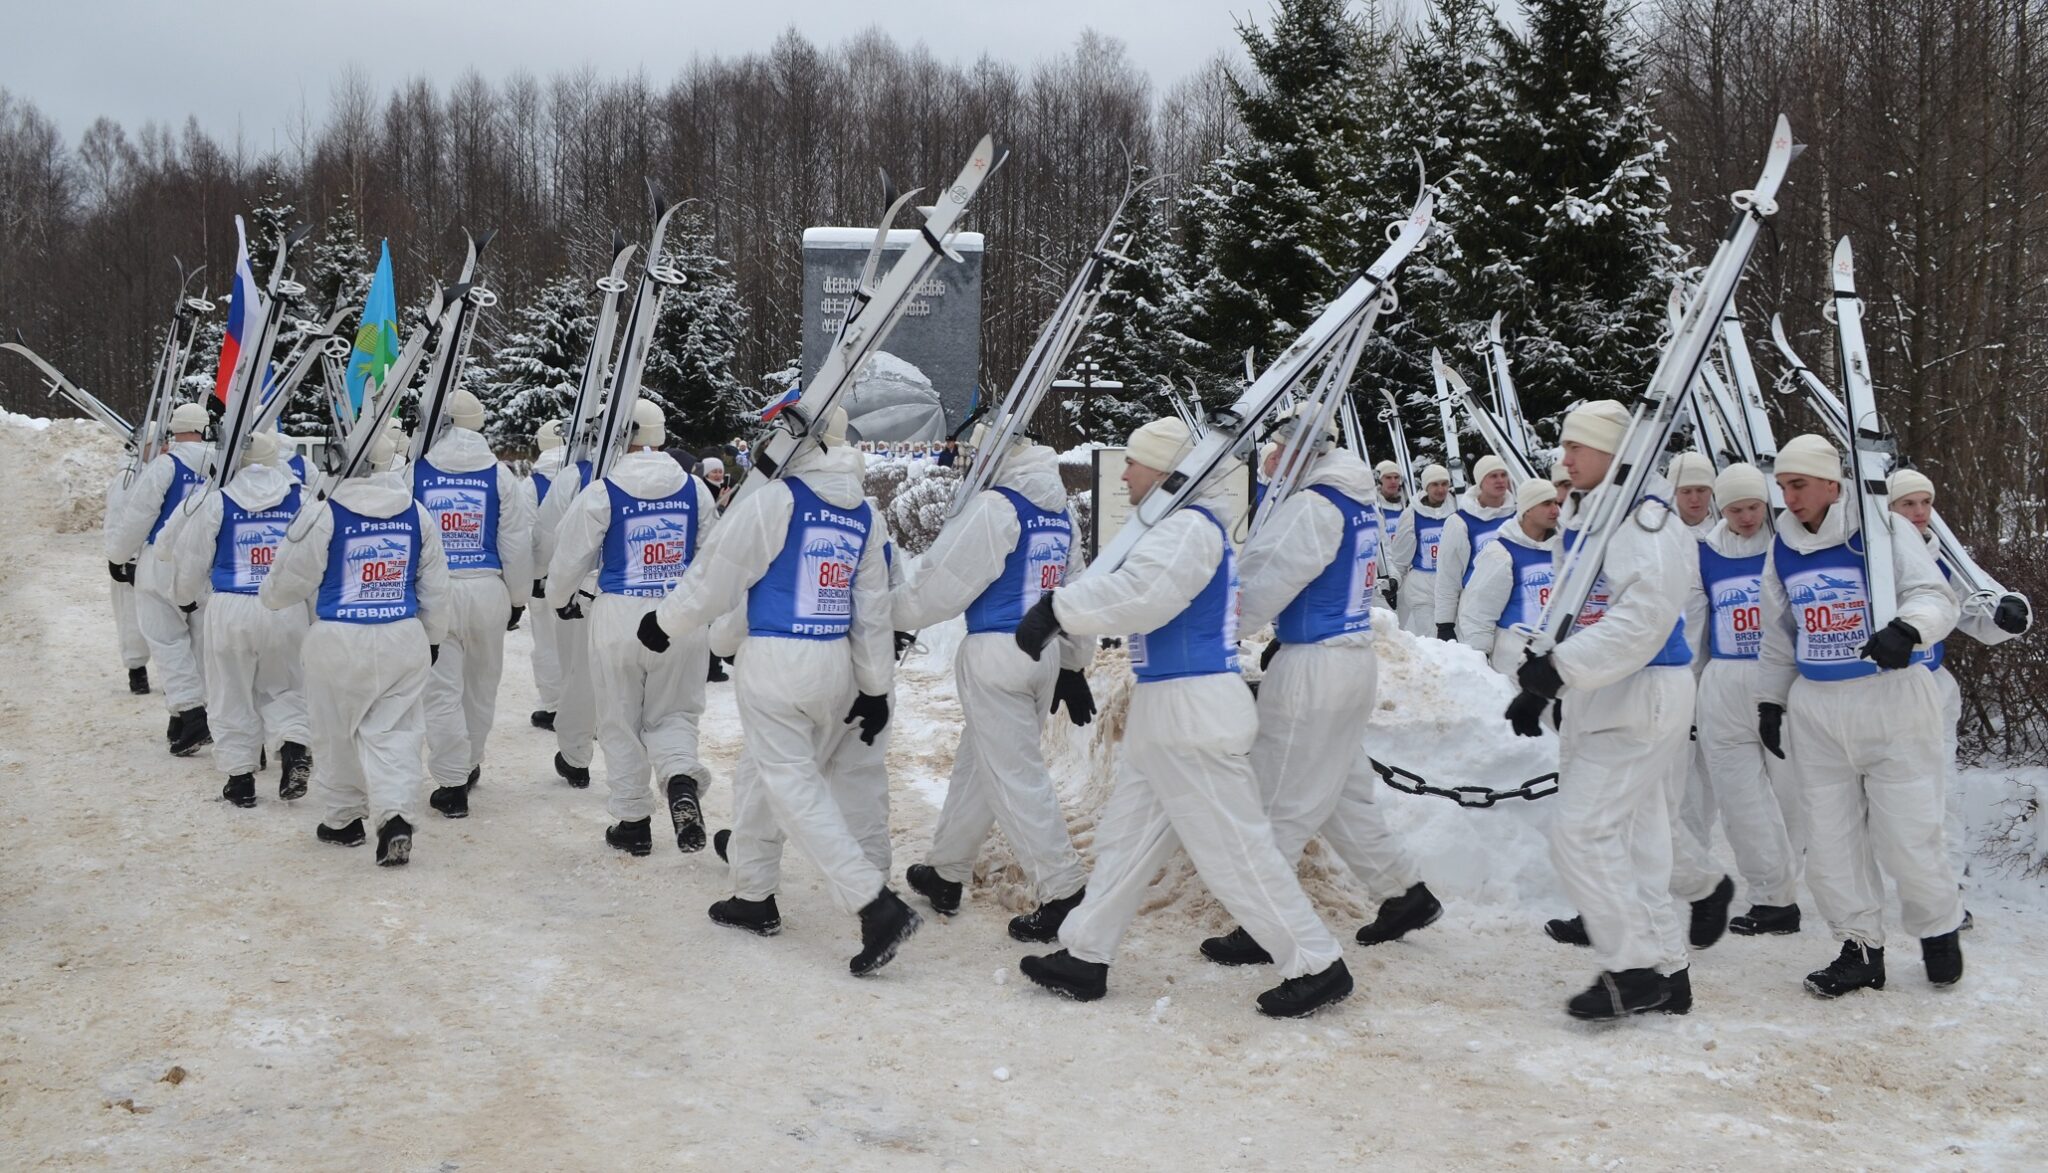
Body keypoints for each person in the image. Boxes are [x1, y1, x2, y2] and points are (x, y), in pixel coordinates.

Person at [1011, 416, 1353, 1019]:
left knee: (1235, 853)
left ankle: (1316, 963)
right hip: (1170, 708)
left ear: (1168, 472)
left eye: (1135, 462)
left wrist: (1057, 609)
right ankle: (1085, 955)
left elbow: (1145, 594)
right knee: (1127, 842)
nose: (1124, 472)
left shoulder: (1188, 527)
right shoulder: (1182, 525)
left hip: (1193, 714)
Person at [639, 407, 919, 976]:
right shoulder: (862, 513)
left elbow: (719, 572)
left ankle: (872, 902)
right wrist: (872, 685)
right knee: (769, 777)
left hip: (777, 661)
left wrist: (666, 622)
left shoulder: (778, 500)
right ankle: (752, 892)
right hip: (835, 662)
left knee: (791, 785)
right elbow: (870, 609)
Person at [1202, 409, 1439, 968]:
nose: (1267, 460)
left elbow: (1262, 583)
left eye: (1275, 449)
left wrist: (1208, 634)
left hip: (1313, 667)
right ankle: (1404, 893)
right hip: (1350, 658)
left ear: (1300, 451)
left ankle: (1267, 925)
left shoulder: (1313, 506)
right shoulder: (1353, 500)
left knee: (1278, 797)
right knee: (1341, 794)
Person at [1504, 400, 1698, 1020]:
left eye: (1575, 448)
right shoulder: (1594, 519)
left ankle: (1632, 969)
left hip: (1641, 695)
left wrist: (1561, 670)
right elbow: (1575, 610)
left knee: (1582, 832)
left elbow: (1642, 618)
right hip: (1609, 695)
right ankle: (1669, 970)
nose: (1564, 461)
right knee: (1638, 841)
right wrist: (1542, 686)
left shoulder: (1644, 523)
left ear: (1615, 454)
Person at [1757, 435, 1961, 998]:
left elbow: (1935, 595)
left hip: (1890, 699)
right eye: (1782, 487)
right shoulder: (1782, 547)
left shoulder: (1882, 530)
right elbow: (1779, 634)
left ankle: (1938, 927)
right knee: (1830, 840)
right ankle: (1860, 948)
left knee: (1908, 834)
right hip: (1818, 709)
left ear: (1831, 483)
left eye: (1797, 485)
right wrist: (1770, 701)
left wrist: (1909, 629)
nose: (1788, 498)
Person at [892, 428, 1092, 941]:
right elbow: (1074, 588)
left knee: (1014, 777)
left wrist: (887, 611)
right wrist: (1072, 662)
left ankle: (1064, 891)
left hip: (996, 651)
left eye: (971, 454)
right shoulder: (1058, 512)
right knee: (981, 763)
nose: (965, 463)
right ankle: (947, 870)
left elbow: (945, 584)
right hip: (1042, 654)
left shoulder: (997, 507)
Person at [260, 430, 449, 867]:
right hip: (402, 633)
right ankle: (396, 815)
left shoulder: (325, 512)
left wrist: (271, 595)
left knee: (334, 730)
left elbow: (287, 582)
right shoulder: (416, 513)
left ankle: (344, 819)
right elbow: (436, 586)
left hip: (339, 637)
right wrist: (434, 636)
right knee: (397, 733)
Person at [548, 400, 721, 855]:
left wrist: (561, 600)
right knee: (675, 713)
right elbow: (713, 559)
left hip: (619, 616)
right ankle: (680, 777)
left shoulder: (603, 493)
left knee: (619, 721)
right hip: (678, 615)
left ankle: (633, 822)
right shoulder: (696, 490)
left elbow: (569, 560)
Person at [1887, 469, 2028, 927]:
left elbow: (1982, 613)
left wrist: (2011, 617)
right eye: (1907, 504)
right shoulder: (1864, 561)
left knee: (1938, 793)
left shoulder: (1942, 559)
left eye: (1925, 502)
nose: (1920, 513)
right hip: (1870, 694)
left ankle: (1948, 897)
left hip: (1929, 688)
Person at [1684, 462, 1803, 937]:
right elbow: (1694, 630)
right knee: (1739, 799)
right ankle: (1772, 898)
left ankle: (1796, 882)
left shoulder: (1790, 545)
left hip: (1783, 681)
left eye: (1753, 506)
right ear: (1721, 507)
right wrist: (1687, 695)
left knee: (1794, 795)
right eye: (1735, 509)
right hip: (1725, 680)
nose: (1746, 516)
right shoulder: (1704, 554)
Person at [170, 431, 311, 808]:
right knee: (285, 686)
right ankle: (295, 746)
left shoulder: (218, 501)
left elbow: (192, 558)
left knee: (230, 690)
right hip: (284, 606)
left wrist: (185, 598)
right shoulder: (300, 499)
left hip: (231, 605)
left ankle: (241, 777)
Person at [414, 389, 533, 819]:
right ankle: (468, 763)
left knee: (440, 691)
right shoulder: (499, 476)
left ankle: (450, 781)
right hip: (486, 588)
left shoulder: (416, 472)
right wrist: (518, 598)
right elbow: (515, 542)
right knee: (482, 685)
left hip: (436, 592)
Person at [104, 401, 212, 755]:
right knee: (199, 642)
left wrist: (118, 556)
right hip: (205, 564)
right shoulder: (220, 463)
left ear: (173, 429)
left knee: (167, 641)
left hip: (163, 560)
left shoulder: (167, 464)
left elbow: (139, 514)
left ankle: (192, 713)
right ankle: (184, 717)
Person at [1455, 477, 1560, 675]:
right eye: (1547, 504)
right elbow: (1478, 611)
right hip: (1513, 661)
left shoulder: (1562, 549)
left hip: (1556, 656)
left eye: (1556, 503)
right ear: (1528, 509)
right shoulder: (1501, 553)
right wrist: (1479, 659)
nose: (1555, 510)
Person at [1432, 454, 1517, 639]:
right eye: (1493, 476)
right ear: (1480, 482)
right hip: (1475, 611)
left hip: (1515, 608)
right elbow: (1448, 575)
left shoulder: (1519, 516)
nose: (1500, 480)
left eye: (1503, 475)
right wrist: (1445, 623)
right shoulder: (1460, 522)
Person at [524, 418, 567, 731]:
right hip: (580, 576)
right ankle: (585, 706)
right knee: (579, 644)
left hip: (542, 577)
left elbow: (524, 533)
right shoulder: (582, 476)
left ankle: (553, 706)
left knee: (547, 643)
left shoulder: (532, 484)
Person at [1385, 464, 1456, 638]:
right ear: (1426, 487)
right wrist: (1394, 579)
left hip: (1453, 583)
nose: (1441, 489)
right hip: (1422, 587)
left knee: (1458, 638)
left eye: (1444, 484)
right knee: (1433, 637)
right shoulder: (1412, 515)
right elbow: (1400, 558)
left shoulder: (1457, 510)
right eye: (1435, 484)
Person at [104, 471, 151, 695]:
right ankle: (137, 670)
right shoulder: (129, 476)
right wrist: (120, 557)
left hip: (160, 554)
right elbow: (117, 517)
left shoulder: (172, 467)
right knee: (131, 616)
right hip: (133, 553)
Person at [1667, 452, 1718, 533]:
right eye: (1686, 491)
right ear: (1674, 492)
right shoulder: (1661, 531)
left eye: (1701, 490)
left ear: (1712, 490)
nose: (1694, 499)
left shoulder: (1730, 529)